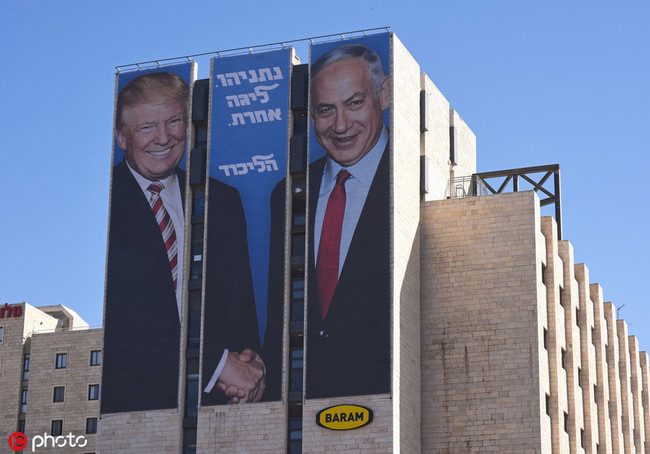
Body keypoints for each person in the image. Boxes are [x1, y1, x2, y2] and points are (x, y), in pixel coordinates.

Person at [102, 71, 264, 413]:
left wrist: (250, 365)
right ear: (120, 137)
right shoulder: (108, 201)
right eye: (147, 127)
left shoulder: (222, 199)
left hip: (219, 406)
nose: (163, 137)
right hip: (136, 410)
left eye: (174, 121)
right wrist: (223, 366)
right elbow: (130, 321)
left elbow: (240, 305)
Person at [305, 43, 391, 399]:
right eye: (326, 110)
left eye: (354, 103)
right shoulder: (290, 193)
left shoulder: (409, 183)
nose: (340, 125)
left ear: (383, 94)